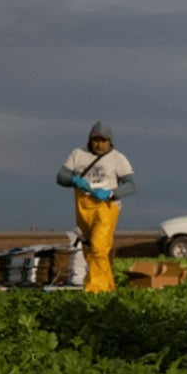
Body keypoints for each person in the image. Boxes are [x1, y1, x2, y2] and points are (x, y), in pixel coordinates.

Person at [55, 121, 137, 292]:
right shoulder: (78, 154)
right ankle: (108, 287)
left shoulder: (118, 159)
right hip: (83, 208)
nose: (99, 144)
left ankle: (95, 291)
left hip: (106, 207)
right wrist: (74, 180)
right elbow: (61, 176)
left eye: (103, 140)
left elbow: (131, 185)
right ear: (89, 140)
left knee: (99, 247)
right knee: (90, 250)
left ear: (110, 142)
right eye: (95, 140)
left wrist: (111, 193)